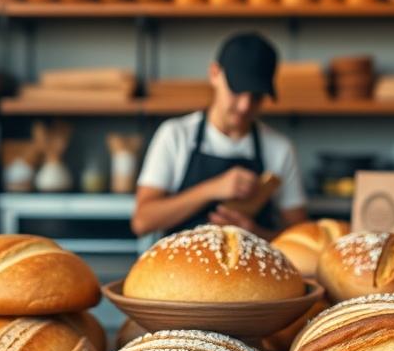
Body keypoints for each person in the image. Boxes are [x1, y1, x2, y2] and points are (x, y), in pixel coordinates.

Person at [131, 31, 308, 240]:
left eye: (257, 97)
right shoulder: (175, 136)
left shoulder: (279, 149)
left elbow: (300, 238)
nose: (245, 106)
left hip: (251, 271)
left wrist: (255, 233)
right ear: (214, 74)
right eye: (237, 90)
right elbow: (142, 221)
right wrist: (212, 189)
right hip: (184, 271)